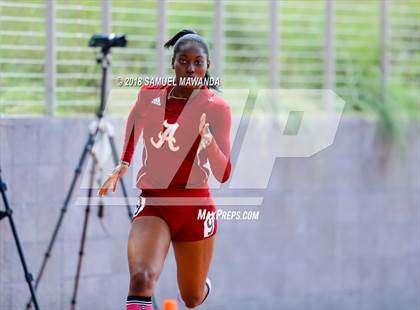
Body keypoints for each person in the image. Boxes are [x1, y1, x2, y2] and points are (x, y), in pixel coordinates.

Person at [98, 29, 231, 310]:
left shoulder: (216, 107)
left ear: (208, 66)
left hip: (194, 206)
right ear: (173, 63)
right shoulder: (150, 94)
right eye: (183, 60)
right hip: (155, 202)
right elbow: (134, 118)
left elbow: (224, 173)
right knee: (141, 279)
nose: (191, 68)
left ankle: (202, 286)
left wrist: (208, 144)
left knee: (192, 298)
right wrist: (124, 162)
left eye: (198, 62)